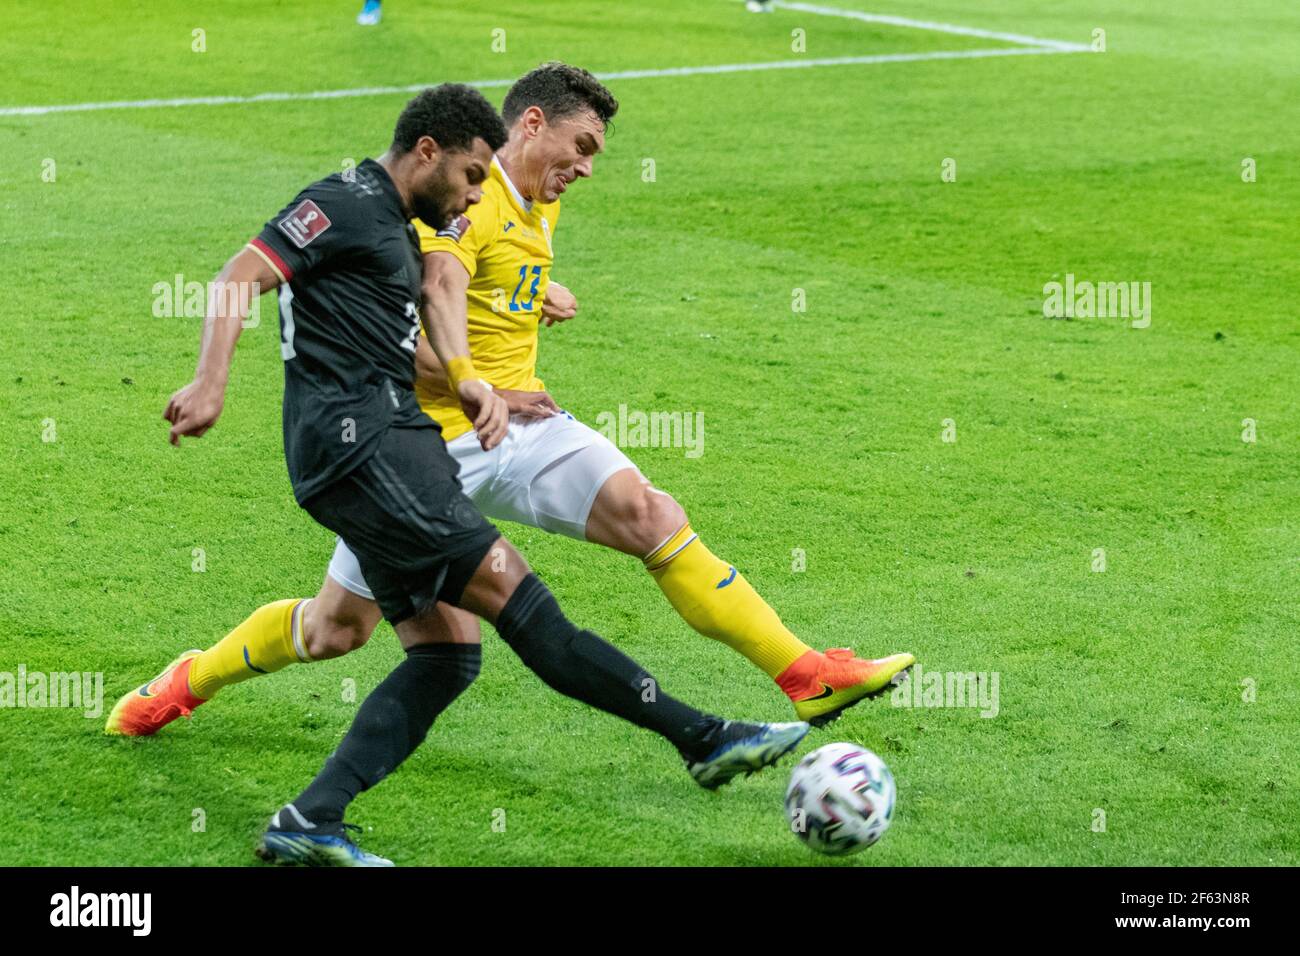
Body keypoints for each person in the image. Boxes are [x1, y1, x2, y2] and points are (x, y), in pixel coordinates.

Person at [107, 65, 913, 750]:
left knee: (649, 512)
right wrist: (472, 378)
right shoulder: (470, 195)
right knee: (335, 631)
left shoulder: (535, 198)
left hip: (520, 432)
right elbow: (433, 292)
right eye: (582, 148)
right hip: (423, 448)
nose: (588, 168)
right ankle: (190, 679)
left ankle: (804, 674)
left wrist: (530, 291)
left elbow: (482, 279)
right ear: (531, 124)